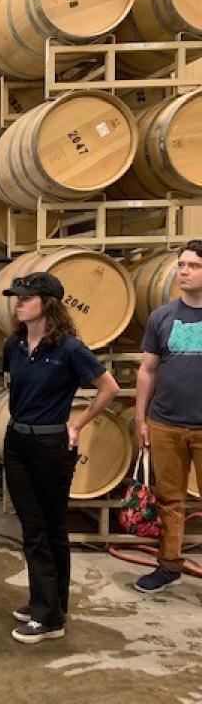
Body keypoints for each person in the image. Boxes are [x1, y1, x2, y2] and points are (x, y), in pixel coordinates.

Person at [1, 272, 119, 644]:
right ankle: (50, 603)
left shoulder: (69, 348)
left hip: (51, 445)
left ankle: (48, 617)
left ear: (48, 303)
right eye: (17, 298)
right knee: (36, 527)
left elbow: (109, 387)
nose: (18, 303)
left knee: (46, 529)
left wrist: (78, 424)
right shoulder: (14, 345)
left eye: (26, 298)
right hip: (17, 441)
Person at [133, 240, 202, 593]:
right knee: (170, 499)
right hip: (166, 422)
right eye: (181, 265)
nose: (184, 272)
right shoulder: (162, 316)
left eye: (194, 266)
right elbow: (148, 370)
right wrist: (141, 418)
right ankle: (169, 565)